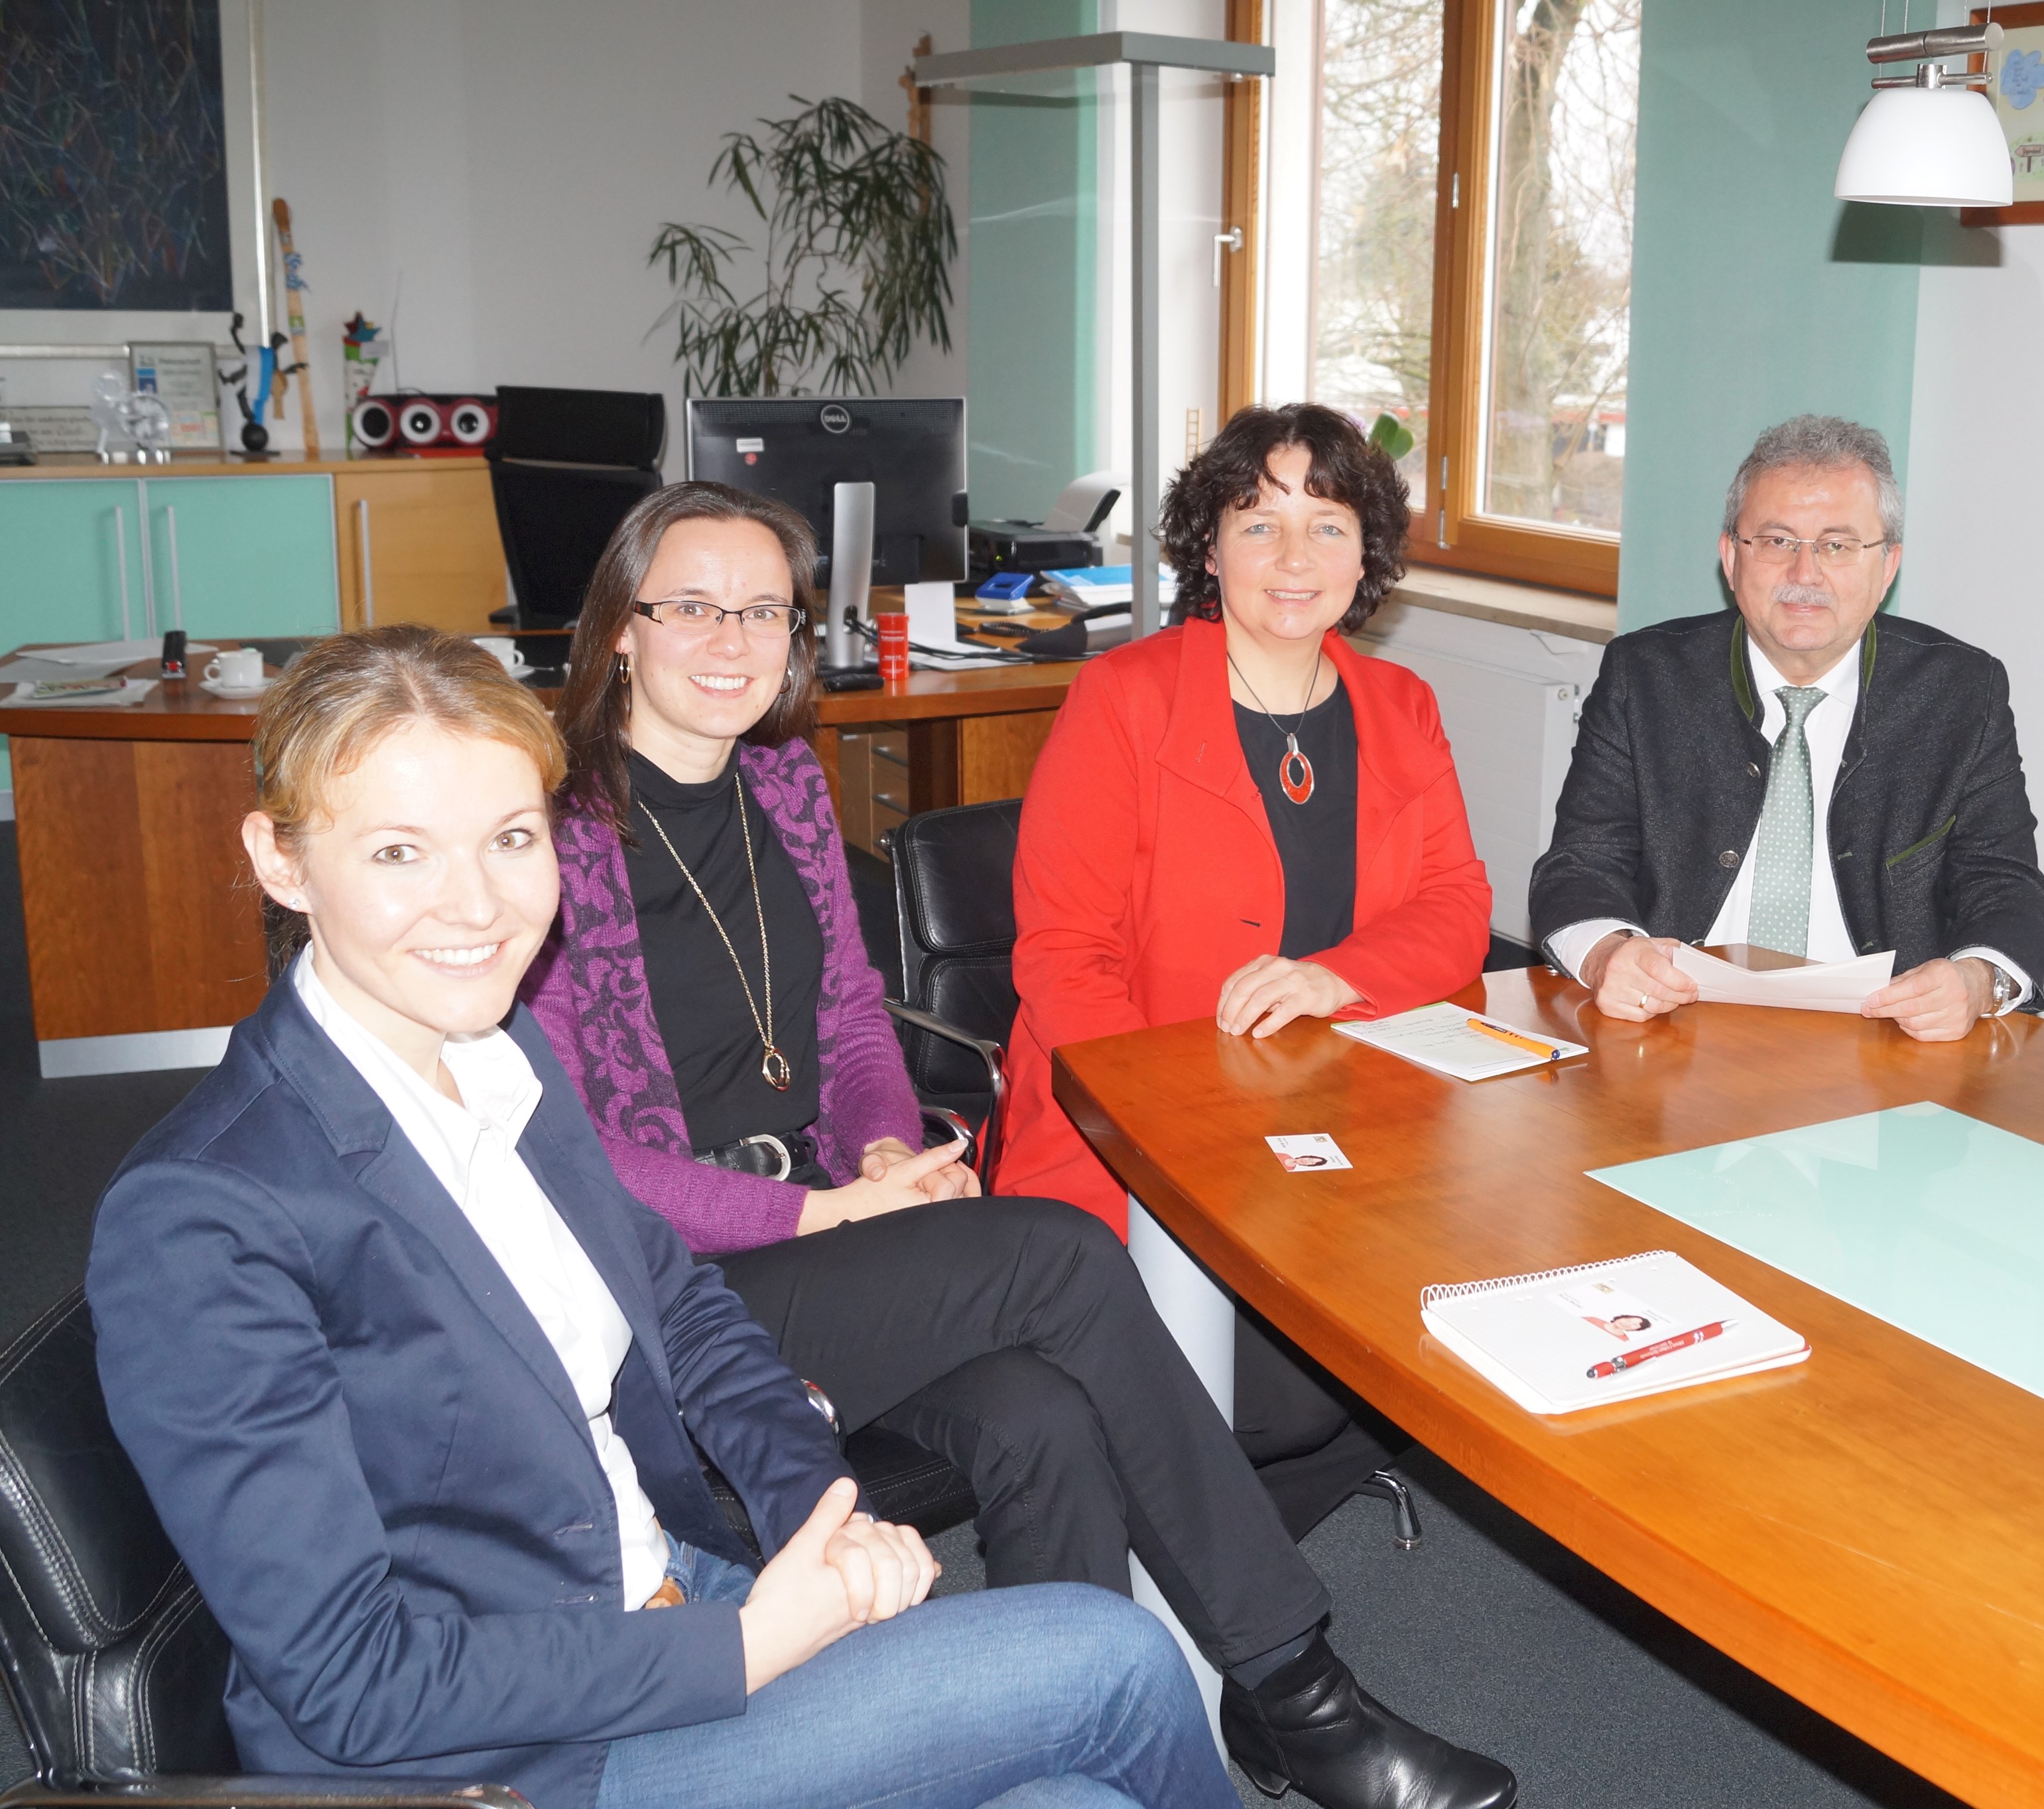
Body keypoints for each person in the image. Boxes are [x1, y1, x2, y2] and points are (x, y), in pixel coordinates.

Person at [87, 628, 1226, 1809]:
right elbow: (350, 1678)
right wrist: (749, 1644)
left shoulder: (494, 1050)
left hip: (659, 1594)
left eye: (511, 839)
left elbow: (680, 1306)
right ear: (281, 862)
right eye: (397, 852)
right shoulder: (204, 1215)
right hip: (513, 1760)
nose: (475, 906)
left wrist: (811, 1511)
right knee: (1115, 1660)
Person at [523, 481, 1515, 1809]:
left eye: (761, 608)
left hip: (824, 1241)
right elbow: (568, 1160)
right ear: (620, 631)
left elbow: (855, 1028)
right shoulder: (541, 828)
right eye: (689, 605)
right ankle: (1295, 1685)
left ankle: (1062, 1755)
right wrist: (816, 1217)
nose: (730, 637)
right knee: (1053, 1260)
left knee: (1039, 1410)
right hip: (671, 1288)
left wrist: (880, 1156)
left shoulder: (783, 789)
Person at [1001, 402, 1493, 1528]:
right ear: (1206, 545)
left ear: (1364, 557)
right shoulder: (1122, 701)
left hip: (1339, 1129)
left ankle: (1220, 1593)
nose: (1293, 556)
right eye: (1257, 521)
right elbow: (1065, 959)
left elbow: (1456, 907)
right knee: (1271, 1393)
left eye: (1327, 525)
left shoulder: (1400, 706)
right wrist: (1181, 1128)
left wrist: (1338, 974)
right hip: (1131, 1135)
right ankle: (1246, 1641)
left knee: (1424, 1347)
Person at [1529, 413, 2044, 1039]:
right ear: (1730, 557)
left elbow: (2007, 888)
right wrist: (1610, 953)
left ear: (1887, 567)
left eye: (1837, 545)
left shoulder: (1962, 693)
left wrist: (1975, 981)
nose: (1805, 574)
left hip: (1883, 1044)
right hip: (1676, 1027)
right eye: (1777, 541)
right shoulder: (1645, 676)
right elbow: (1579, 866)